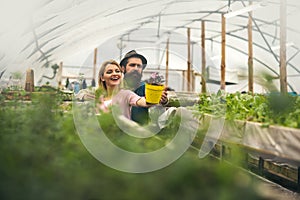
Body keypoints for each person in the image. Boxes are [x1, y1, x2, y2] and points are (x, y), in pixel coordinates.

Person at [120, 50, 168, 125]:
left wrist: (162, 100)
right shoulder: (115, 88)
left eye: (139, 66)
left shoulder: (146, 88)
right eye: (132, 65)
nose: (136, 68)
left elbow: (156, 110)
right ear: (123, 68)